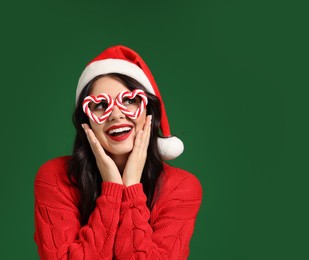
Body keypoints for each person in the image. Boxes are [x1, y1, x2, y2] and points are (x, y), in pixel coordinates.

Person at [34, 45, 202, 259]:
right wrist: (112, 190)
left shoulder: (182, 188)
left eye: (130, 101)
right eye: (100, 106)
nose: (115, 115)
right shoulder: (55, 178)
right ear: (87, 122)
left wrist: (131, 185)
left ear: (149, 112)